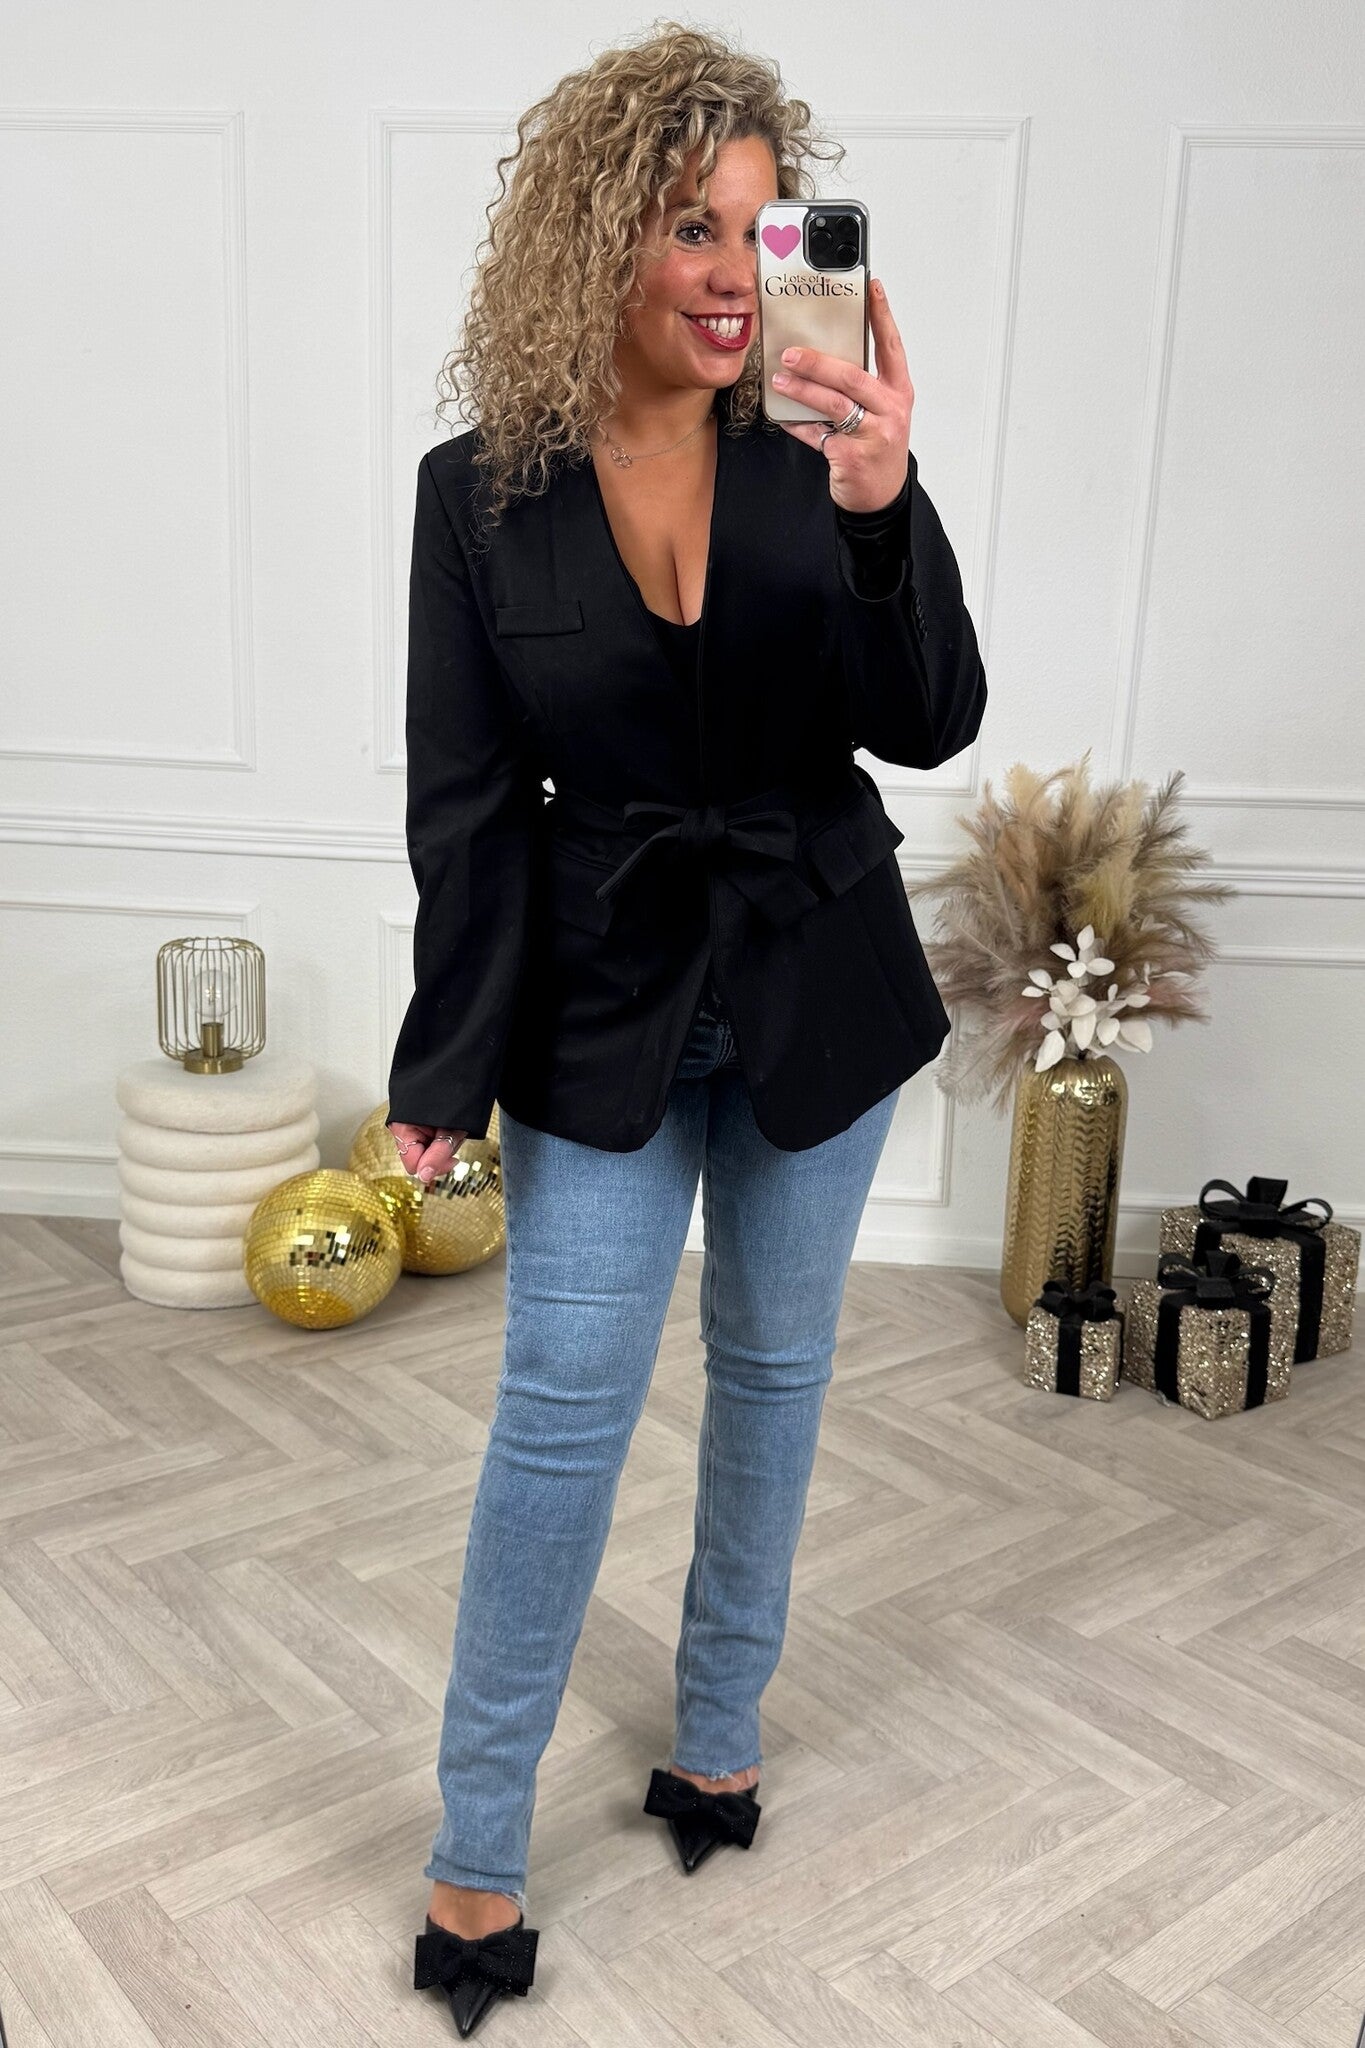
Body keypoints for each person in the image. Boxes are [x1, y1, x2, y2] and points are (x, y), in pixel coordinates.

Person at [385, 22, 987, 2036]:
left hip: (816, 971)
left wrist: (885, 500)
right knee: (561, 1404)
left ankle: (716, 1738)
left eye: (761, 226)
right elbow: (468, 807)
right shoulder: (477, 497)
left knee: (775, 1371)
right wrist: (440, 1072)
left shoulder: (821, 443)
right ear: (594, 241)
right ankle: (478, 1844)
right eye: (687, 226)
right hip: (604, 992)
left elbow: (929, 720)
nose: (736, 272)